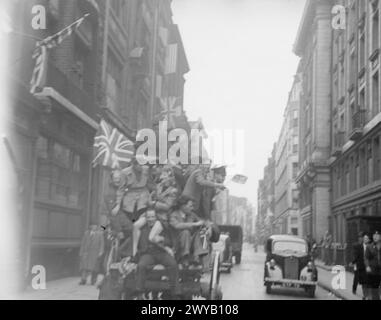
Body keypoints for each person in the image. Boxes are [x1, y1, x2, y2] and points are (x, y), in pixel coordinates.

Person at [135, 209, 180, 300]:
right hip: (149, 254)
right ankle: (140, 292)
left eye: (152, 217)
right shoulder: (143, 229)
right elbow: (140, 244)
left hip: (162, 253)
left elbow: (169, 241)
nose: (150, 219)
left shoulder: (162, 228)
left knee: (173, 264)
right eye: (148, 217)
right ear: (146, 218)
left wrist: (162, 239)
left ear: (156, 218)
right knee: (141, 265)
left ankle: (175, 293)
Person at [169, 196, 208, 267]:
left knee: (199, 233)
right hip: (177, 245)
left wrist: (205, 225)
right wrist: (194, 224)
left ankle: (198, 255)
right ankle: (185, 257)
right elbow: (177, 226)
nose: (192, 208)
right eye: (190, 206)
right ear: (183, 206)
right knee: (185, 232)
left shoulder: (192, 215)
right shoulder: (173, 215)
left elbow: (201, 221)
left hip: (189, 243)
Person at [351, 232, 370, 299]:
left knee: (366, 280)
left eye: (362, 237)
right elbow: (355, 255)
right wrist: (353, 262)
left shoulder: (367, 245)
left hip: (366, 266)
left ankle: (366, 295)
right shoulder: (356, 245)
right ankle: (354, 289)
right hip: (358, 264)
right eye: (360, 237)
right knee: (356, 277)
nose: (361, 239)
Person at [365, 231, 381, 300]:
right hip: (374, 271)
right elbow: (366, 258)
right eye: (374, 235)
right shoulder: (369, 247)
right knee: (375, 289)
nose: (375, 237)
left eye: (377, 236)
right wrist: (367, 266)